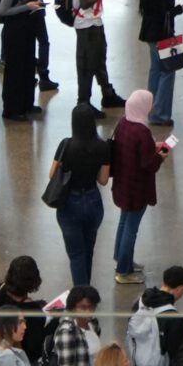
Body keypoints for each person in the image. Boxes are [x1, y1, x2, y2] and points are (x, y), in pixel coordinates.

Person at [47, 104, 113, 285]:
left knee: (76, 254)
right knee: (88, 250)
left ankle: (81, 299)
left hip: (69, 202)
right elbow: (103, 180)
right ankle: (87, 293)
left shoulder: (66, 145)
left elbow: (52, 175)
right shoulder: (103, 147)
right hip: (93, 200)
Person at [108, 90, 166, 282]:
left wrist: (152, 146)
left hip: (123, 185)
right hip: (137, 189)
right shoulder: (142, 131)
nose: (153, 107)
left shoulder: (123, 123)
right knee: (131, 228)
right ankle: (124, 271)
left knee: (124, 222)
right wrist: (161, 155)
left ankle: (122, 259)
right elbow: (148, 164)